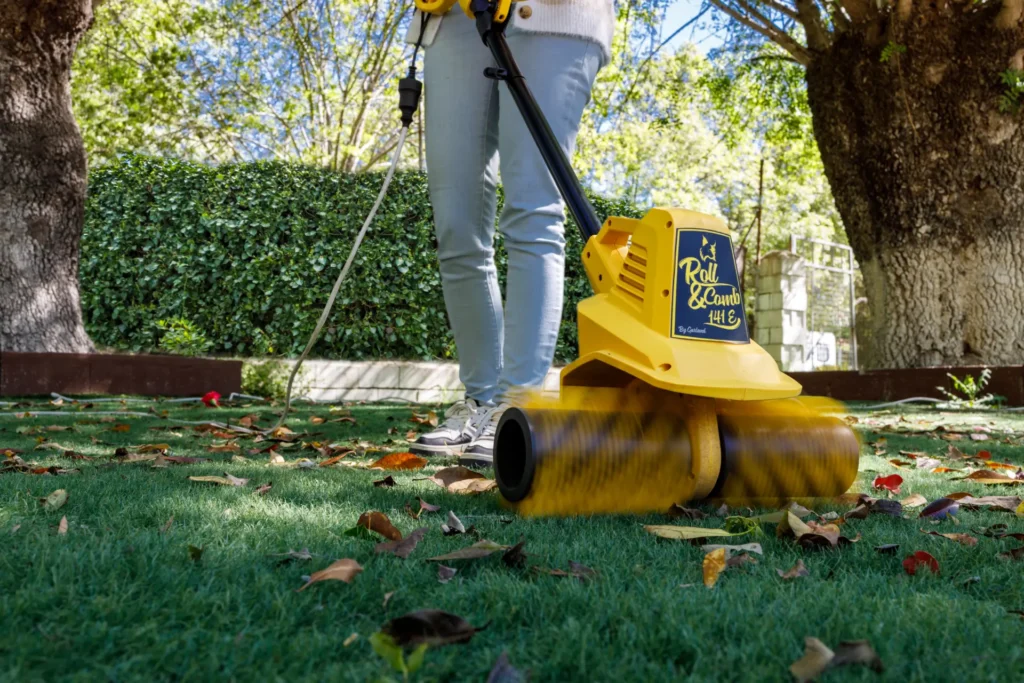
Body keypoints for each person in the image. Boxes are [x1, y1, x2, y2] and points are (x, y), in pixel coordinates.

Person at [406, 0, 614, 467]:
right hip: (454, 20)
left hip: (550, 16)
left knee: (532, 211)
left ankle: (517, 404)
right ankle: (478, 401)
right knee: (456, 226)